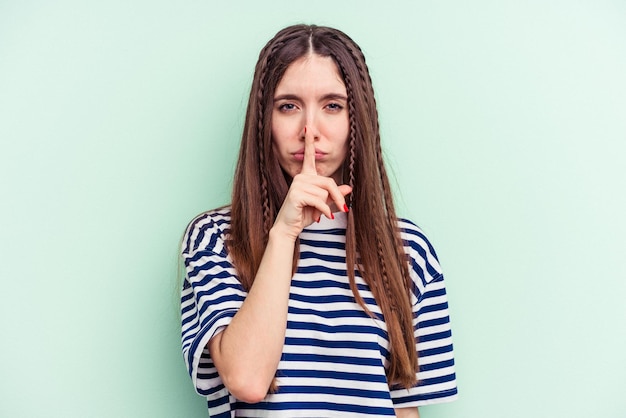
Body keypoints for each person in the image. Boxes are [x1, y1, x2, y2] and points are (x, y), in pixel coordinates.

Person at [180, 24, 457, 417]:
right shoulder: (215, 239)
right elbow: (247, 379)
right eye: (288, 106)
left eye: (332, 106)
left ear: (356, 119)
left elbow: (404, 408)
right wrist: (284, 233)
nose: (310, 131)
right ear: (264, 122)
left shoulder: (407, 251)